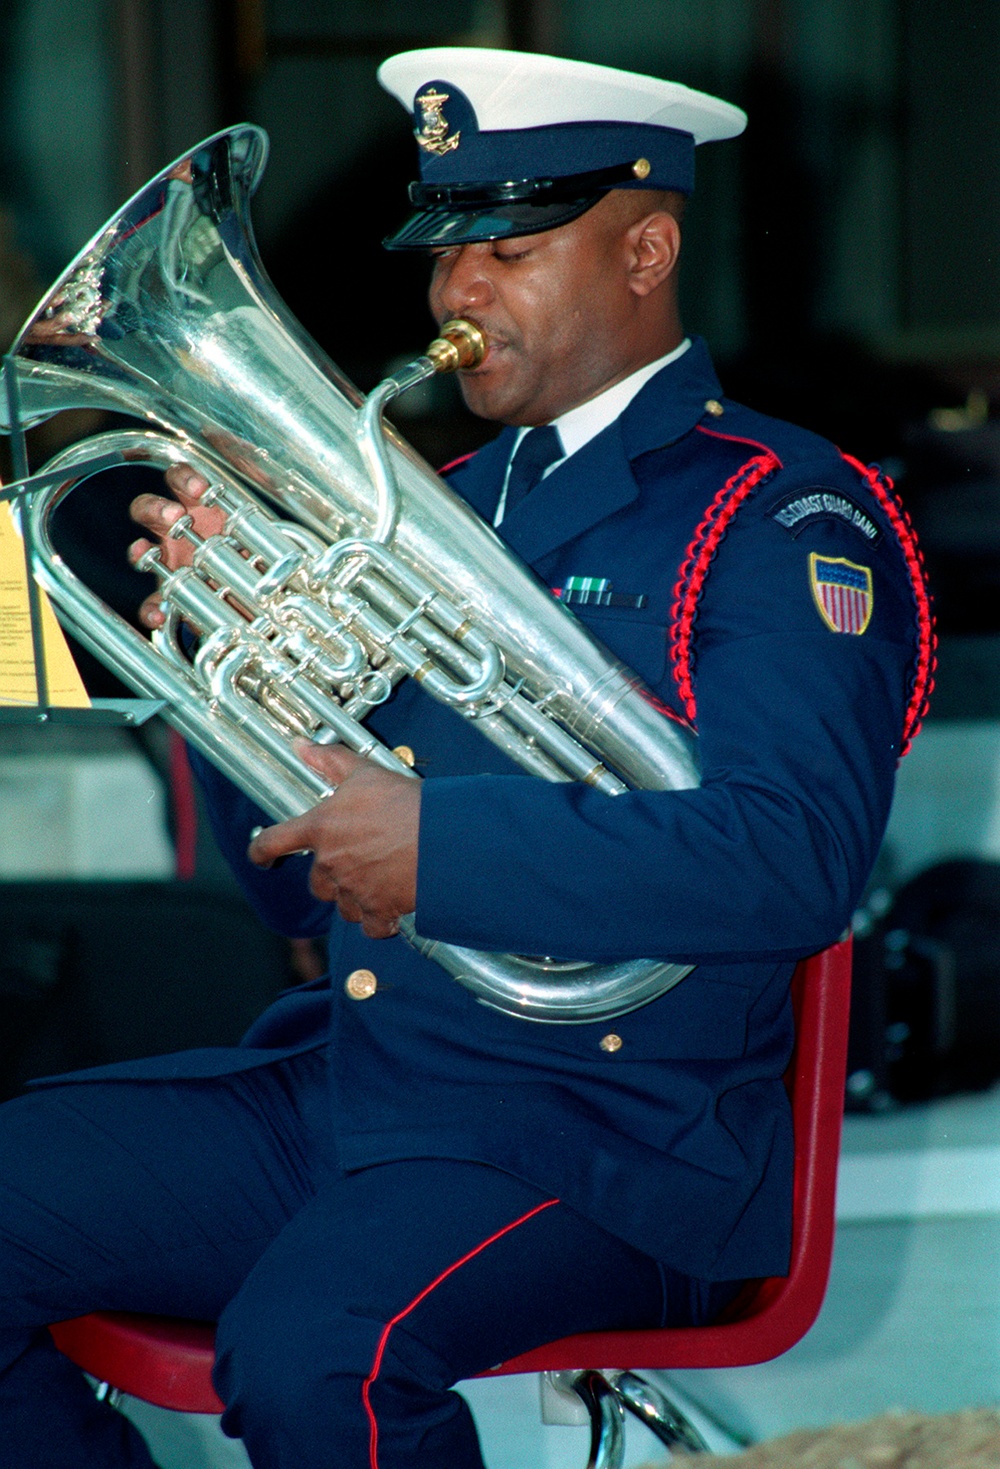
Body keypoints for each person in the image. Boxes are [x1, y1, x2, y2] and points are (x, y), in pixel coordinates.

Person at [0, 47, 933, 1469]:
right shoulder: (419, 501)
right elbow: (307, 907)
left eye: (508, 250)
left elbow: (789, 859)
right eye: (445, 259)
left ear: (647, 248)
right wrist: (219, 685)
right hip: (366, 1085)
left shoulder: (786, 514)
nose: (456, 296)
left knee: (321, 1355)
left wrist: (431, 840)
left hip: (614, 1140)